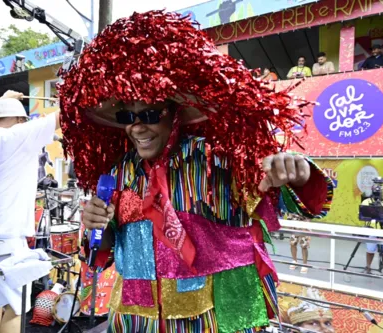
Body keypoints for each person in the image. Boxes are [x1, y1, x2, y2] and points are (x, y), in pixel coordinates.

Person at [60, 11, 334, 332]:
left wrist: (298, 175)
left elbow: (296, 198)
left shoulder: (217, 158)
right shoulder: (119, 174)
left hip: (217, 319)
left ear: (175, 114)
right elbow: (100, 254)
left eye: (148, 113)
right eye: (127, 117)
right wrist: (97, 227)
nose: (137, 128)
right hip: (137, 320)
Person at [0, 94, 60, 333]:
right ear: (19, 118)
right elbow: (65, 115)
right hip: (2, 240)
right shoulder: (18, 136)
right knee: (16, 307)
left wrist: (3, 98)